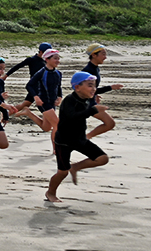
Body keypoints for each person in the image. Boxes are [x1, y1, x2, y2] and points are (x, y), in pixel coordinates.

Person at [46, 72, 113, 202]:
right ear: (77, 87)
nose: (93, 88)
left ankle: (76, 167)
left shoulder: (85, 99)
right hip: (64, 142)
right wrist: (93, 110)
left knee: (102, 158)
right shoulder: (69, 101)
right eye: (90, 85)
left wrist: (109, 89)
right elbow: (72, 117)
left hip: (79, 139)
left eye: (94, 85)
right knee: (62, 172)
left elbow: (90, 102)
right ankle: (50, 193)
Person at [17, 49, 63, 139]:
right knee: (57, 125)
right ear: (47, 59)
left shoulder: (58, 73)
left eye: (58, 58)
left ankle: (28, 113)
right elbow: (29, 85)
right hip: (43, 102)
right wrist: (36, 97)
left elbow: (59, 87)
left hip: (52, 103)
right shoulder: (42, 73)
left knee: (46, 128)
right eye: (55, 58)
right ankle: (56, 149)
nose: (58, 61)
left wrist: (60, 97)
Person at [4, 42, 53, 119]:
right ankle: (51, 120)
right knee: (43, 105)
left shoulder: (46, 61)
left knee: (25, 104)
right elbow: (17, 66)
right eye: (46, 53)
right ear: (40, 52)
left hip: (42, 87)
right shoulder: (32, 60)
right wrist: (6, 75)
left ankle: (5, 115)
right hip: (34, 87)